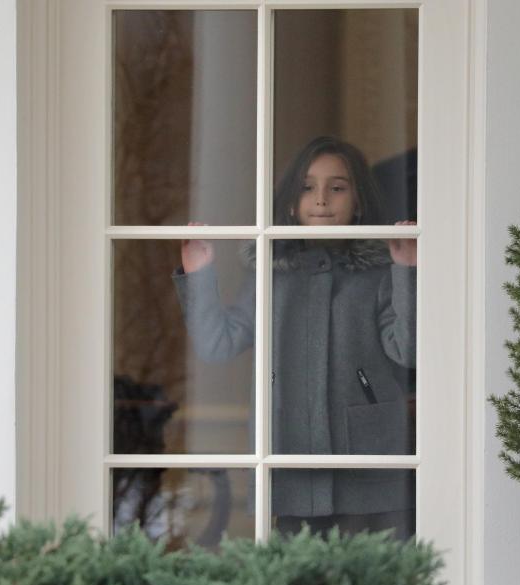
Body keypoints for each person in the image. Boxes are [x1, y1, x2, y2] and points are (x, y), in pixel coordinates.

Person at [172, 136, 417, 538]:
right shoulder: (272, 272)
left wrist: (405, 269)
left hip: (371, 465)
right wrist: (198, 274)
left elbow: (407, 349)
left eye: (337, 187)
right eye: (307, 187)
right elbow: (219, 344)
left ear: (358, 202)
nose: (321, 198)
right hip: (289, 456)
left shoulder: (377, 272)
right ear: (290, 202)